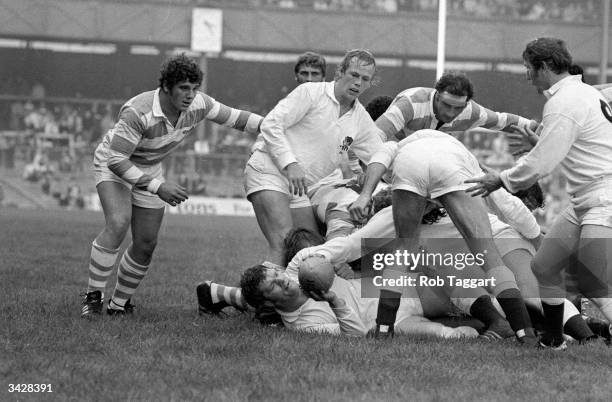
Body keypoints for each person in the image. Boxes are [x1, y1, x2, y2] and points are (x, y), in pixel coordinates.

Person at [81, 54, 263, 317]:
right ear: (166, 87)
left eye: (194, 88)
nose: (190, 95)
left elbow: (238, 119)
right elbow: (116, 160)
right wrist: (158, 186)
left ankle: (119, 305)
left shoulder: (199, 104)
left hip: (149, 167)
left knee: (145, 243)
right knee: (119, 222)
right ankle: (93, 299)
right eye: (183, 88)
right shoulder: (139, 111)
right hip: (115, 163)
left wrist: (276, 126)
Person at [465, 37, 612, 349]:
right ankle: (555, 339)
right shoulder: (581, 93)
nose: (526, 75)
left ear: (544, 67)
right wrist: (538, 146)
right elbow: (568, 151)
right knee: (543, 266)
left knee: (593, 273)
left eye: (528, 68)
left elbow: (541, 164)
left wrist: (500, 180)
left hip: (604, 196)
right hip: (585, 199)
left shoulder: (563, 101)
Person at [349, 129, 536, 343]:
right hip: (451, 166)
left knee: (403, 250)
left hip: (410, 164)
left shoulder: (399, 147)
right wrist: (536, 237)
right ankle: (525, 333)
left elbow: (380, 156)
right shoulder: (462, 154)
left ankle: (383, 329)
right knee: (488, 254)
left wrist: (365, 195)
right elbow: (508, 203)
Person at [244, 49, 384, 268]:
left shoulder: (361, 119)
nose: (358, 82)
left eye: (365, 79)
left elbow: (381, 156)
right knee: (283, 244)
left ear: (369, 84)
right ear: (339, 72)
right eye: (354, 75)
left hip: (300, 188)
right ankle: (257, 298)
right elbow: (271, 124)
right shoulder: (310, 93)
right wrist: (290, 164)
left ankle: (219, 295)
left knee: (309, 252)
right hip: (268, 171)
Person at [239, 261, 480, 339]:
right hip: (391, 321)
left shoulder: (304, 272)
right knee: (449, 334)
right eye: (273, 285)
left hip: (396, 289)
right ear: (268, 303)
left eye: (276, 274)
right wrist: (335, 301)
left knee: (470, 294)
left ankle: (505, 308)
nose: (282, 280)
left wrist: (340, 264)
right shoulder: (304, 326)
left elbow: (340, 248)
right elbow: (355, 334)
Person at [374, 72, 539, 142]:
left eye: (458, 108)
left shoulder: (471, 111)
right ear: (437, 95)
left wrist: (539, 130)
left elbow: (505, 121)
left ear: (466, 103)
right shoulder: (410, 104)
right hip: (392, 159)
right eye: (446, 105)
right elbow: (373, 138)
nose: (451, 113)